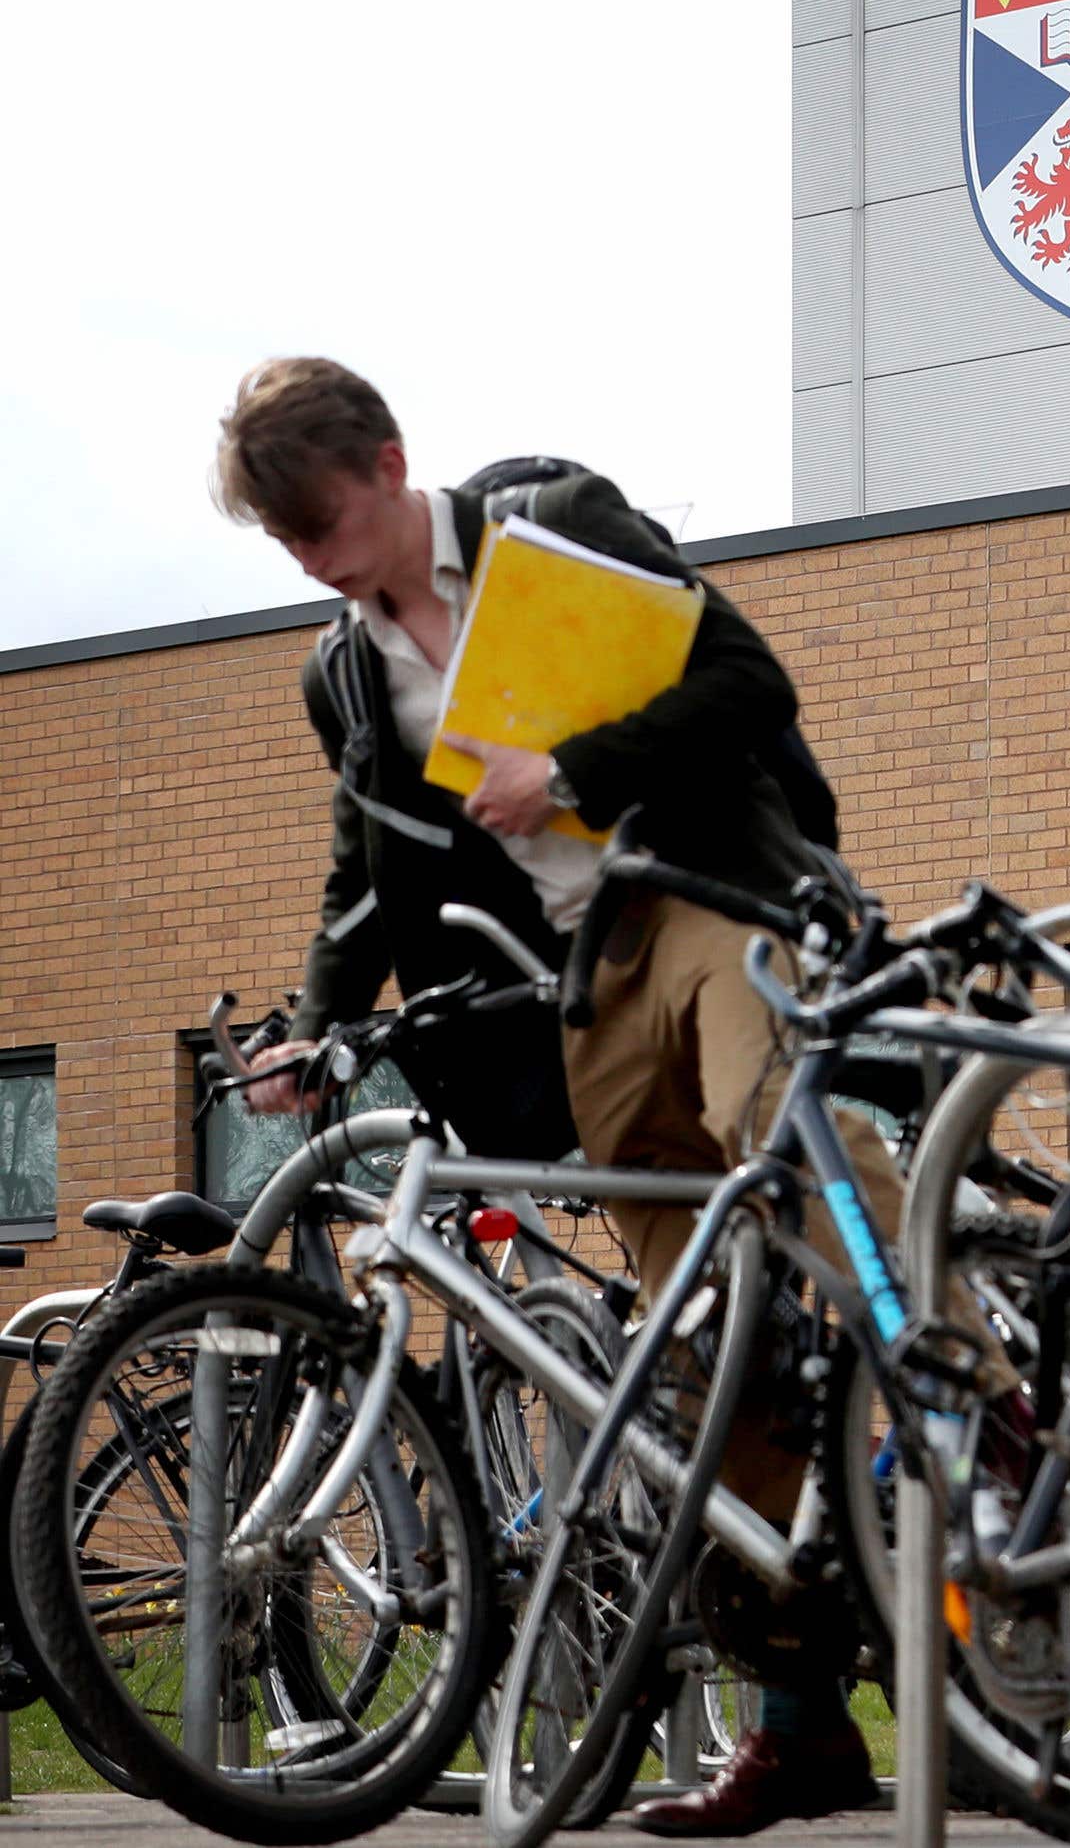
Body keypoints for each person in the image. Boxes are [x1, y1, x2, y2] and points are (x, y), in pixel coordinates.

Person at [218, 357, 888, 1835]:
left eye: (322, 522)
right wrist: (314, 1025)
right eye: (286, 545)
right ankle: (800, 1727)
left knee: (791, 1142)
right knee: (717, 1360)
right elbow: (359, 872)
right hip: (592, 982)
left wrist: (567, 769)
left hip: (709, 896)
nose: (314, 561)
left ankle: (977, 1383)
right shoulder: (345, 668)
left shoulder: (547, 522)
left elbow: (749, 684)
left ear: (391, 464)